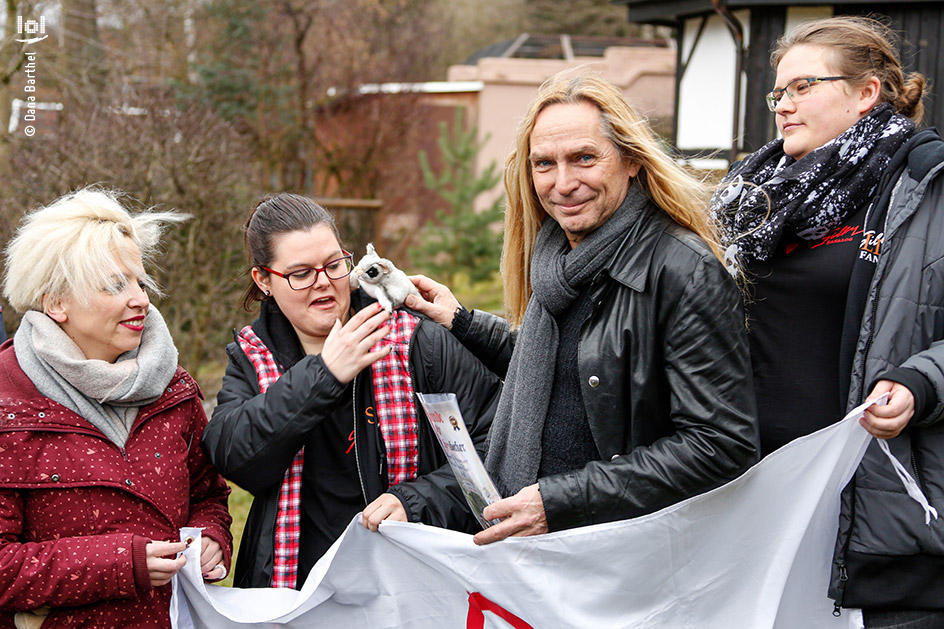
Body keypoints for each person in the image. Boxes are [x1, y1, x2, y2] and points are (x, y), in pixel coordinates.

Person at [407, 68, 759, 546]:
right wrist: (461, 321)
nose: (563, 183)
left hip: (615, 552)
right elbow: (578, 373)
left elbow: (721, 445)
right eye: (544, 164)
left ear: (631, 160)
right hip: (538, 548)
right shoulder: (557, 260)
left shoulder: (682, 269)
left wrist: (562, 501)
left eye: (584, 158)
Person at [709, 16, 944, 626]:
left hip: (871, 509)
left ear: (867, 92)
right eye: (778, 92)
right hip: (754, 498)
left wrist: (921, 383)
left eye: (803, 87)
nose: (783, 106)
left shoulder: (925, 184)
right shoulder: (753, 194)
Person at [202, 193, 502, 589]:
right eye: (301, 273)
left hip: (415, 587)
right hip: (300, 593)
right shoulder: (252, 356)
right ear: (264, 280)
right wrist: (324, 375)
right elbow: (236, 458)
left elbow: (497, 443)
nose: (324, 282)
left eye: (333, 265)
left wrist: (416, 503)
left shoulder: (416, 343)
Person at [0, 187, 232, 628]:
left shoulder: (174, 389)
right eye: (114, 284)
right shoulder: (8, 402)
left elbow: (209, 495)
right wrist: (122, 563)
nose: (141, 299)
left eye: (140, 282)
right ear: (56, 303)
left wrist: (211, 538)